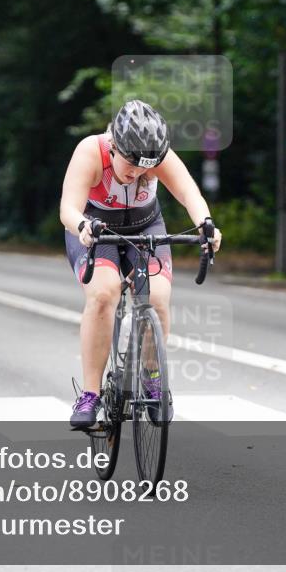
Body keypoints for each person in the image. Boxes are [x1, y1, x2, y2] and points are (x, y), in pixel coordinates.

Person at [59, 100, 222, 429]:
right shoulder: (91, 152)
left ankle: (153, 378)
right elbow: (67, 210)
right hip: (95, 229)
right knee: (104, 295)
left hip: (145, 227)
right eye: (131, 163)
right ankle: (90, 394)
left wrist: (207, 224)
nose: (138, 172)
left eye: (146, 166)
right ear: (115, 145)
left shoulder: (156, 156)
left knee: (157, 297)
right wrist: (82, 227)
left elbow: (189, 192)